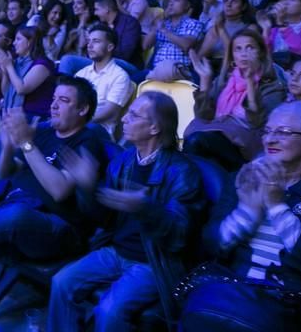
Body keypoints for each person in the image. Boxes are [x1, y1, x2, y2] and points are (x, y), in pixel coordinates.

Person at [0, 76, 108, 332]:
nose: (54, 105)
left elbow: (59, 191)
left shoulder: (88, 143)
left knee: (17, 214)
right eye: (54, 99)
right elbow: (7, 172)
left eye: (64, 100)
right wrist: (6, 147)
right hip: (11, 219)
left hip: (56, 230)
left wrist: (26, 144)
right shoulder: (45, 131)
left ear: (82, 110)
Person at [180, 101, 301, 332]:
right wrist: (247, 213)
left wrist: (278, 207)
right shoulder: (244, 178)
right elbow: (211, 244)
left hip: (292, 298)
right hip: (233, 285)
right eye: (268, 131)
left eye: (284, 132)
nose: (270, 139)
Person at [48, 92, 205, 332]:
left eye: (133, 115)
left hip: (152, 262)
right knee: (61, 283)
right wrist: (88, 188)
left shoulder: (182, 172)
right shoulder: (124, 161)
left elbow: (179, 236)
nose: (124, 120)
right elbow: (103, 218)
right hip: (116, 251)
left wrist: (146, 208)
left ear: (154, 127)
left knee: (108, 310)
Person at [185, 29, 286, 171]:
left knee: (197, 142)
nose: (243, 53)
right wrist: (205, 81)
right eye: (238, 49)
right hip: (215, 137)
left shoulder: (272, 87)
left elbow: (259, 125)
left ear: (261, 53)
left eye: (250, 47)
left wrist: (250, 83)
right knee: (200, 149)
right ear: (232, 56)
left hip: (246, 145)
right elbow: (203, 116)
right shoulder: (225, 81)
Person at [75, 24, 135, 139]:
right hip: (76, 126)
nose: (90, 45)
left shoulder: (120, 76)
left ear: (110, 47)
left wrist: (75, 121)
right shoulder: (81, 74)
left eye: (96, 41)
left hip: (99, 132)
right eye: (89, 41)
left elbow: (109, 112)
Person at [0, 26, 56, 119]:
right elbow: (5, 92)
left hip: (35, 115)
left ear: (29, 42)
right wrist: (5, 72)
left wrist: (9, 66)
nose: (14, 43)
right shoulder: (18, 62)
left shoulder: (42, 64)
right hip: (18, 113)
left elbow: (21, 89)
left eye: (18, 39)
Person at [197, 0, 259, 67]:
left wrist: (221, 30)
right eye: (226, 1)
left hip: (237, 67)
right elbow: (199, 56)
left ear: (244, 6)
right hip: (212, 65)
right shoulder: (215, 28)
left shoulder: (250, 28)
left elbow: (235, 54)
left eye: (234, 1)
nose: (228, 5)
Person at [93, 0, 143, 69]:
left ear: (106, 9)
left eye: (97, 9)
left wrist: (102, 52)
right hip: (102, 62)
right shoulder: (101, 25)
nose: (95, 13)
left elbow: (125, 54)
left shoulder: (130, 23)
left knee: (70, 60)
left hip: (127, 65)